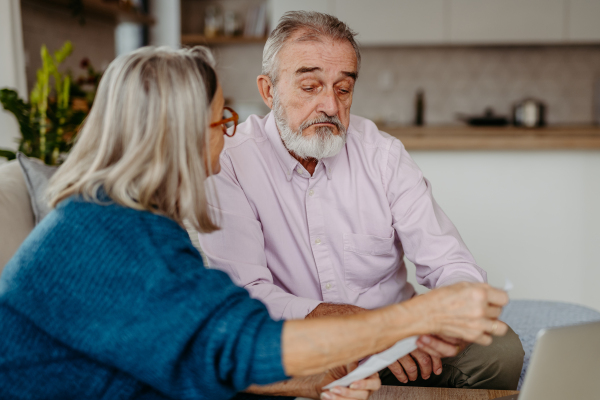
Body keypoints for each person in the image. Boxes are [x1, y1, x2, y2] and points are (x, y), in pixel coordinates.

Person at [0, 46, 511, 400]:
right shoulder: (109, 240)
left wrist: (309, 382)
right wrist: (415, 318)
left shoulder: (122, 220)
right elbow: (239, 344)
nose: (230, 135)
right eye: (221, 121)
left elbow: (201, 348)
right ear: (178, 136)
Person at [197, 11, 525, 390]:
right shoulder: (230, 159)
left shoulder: (382, 154)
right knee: (225, 368)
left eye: (343, 88)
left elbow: (450, 262)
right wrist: (369, 328)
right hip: (295, 345)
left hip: (400, 347)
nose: (331, 106)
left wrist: (440, 320)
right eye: (310, 86)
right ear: (269, 91)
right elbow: (245, 293)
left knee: (499, 350)